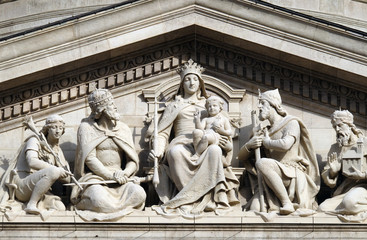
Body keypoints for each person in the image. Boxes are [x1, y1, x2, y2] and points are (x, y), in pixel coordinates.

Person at [149, 59, 239, 217]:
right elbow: (162, 132)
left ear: (200, 83)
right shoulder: (174, 106)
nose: (191, 82)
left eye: (195, 79)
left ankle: (211, 197)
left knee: (215, 151)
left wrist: (225, 141)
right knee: (175, 152)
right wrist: (158, 148)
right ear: (182, 84)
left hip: (205, 142)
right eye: (188, 79)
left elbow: (224, 128)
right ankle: (188, 199)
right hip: (181, 142)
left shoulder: (210, 106)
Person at [238, 89, 320, 215]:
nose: (259, 106)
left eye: (263, 103)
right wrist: (250, 144)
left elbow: (286, 144)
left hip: (290, 174)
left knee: (263, 163)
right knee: (254, 209)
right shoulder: (264, 131)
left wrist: (267, 142)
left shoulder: (291, 122)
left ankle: (286, 202)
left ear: (273, 105)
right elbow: (241, 157)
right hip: (269, 181)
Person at [71, 88, 146, 221]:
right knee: (99, 199)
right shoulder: (87, 128)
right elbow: (90, 158)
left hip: (121, 180)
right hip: (97, 179)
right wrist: (110, 176)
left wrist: (125, 174)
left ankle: (106, 208)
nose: (115, 107)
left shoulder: (123, 129)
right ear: (101, 109)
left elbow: (132, 161)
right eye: (111, 105)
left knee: (139, 193)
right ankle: (82, 203)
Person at [0, 115, 70, 214]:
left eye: (60, 128)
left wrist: (62, 167)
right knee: (54, 171)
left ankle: (35, 203)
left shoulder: (57, 151)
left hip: (41, 190)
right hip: (23, 183)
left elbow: (67, 179)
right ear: (47, 129)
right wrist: (55, 168)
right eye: (54, 127)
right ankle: (31, 204)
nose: (58, 131)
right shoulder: (34, 140)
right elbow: (31, 161)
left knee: (60, 207)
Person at [319, 110, 367, 222]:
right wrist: (333, 172)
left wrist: (363, 175)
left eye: (340, 126)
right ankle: (347, 210)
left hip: (363, 187)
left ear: (350, 126)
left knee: (350, 202)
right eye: (334, 127)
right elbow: (326, 175)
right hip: (343, 190)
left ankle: (350, 209)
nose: (337, 130)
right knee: (322, 208)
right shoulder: (335, 148)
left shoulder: (364, 143)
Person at [192, 95, 232, 160]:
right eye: (209, 106)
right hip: (206, 134)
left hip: (216, 136)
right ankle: (199, 151)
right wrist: (197, 119)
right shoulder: (206, 119)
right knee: (196, 132)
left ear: (220, 108)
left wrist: (222, 131)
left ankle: (197, 154)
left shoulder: (223, 119)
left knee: (206, 137)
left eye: (214, 106)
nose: (212, 108)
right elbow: (200, 128)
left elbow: (230, 132)